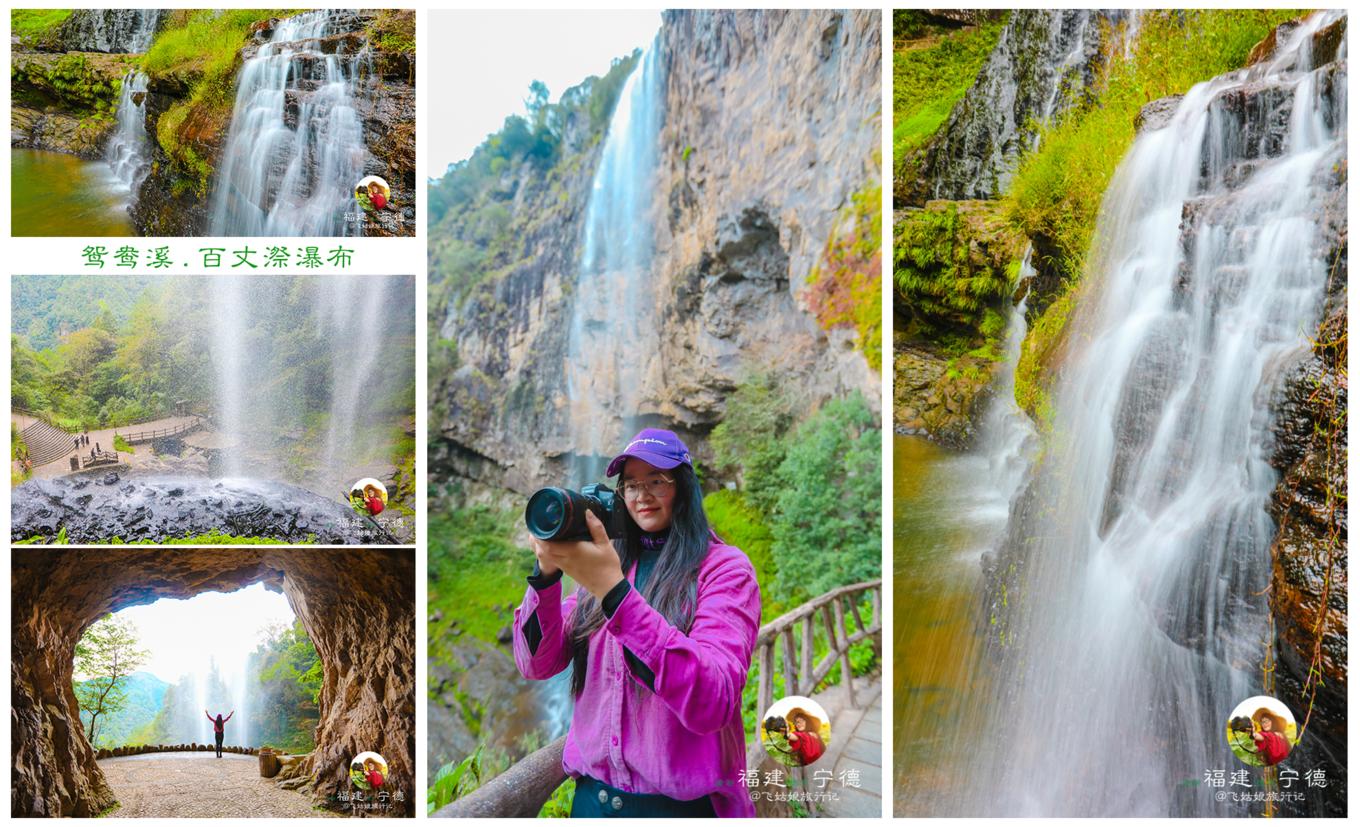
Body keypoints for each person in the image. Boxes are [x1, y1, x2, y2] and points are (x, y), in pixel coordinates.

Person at [513, 428, 762, 818]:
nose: (641, 495)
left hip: (679, 810)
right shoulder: (609, 567)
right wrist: (545, 577)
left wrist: (616, 595)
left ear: (684, 488)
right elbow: (536, 663)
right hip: (591, 804)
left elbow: (713, 699)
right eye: (630, 484)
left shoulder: (724, 569)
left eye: (656, 482)